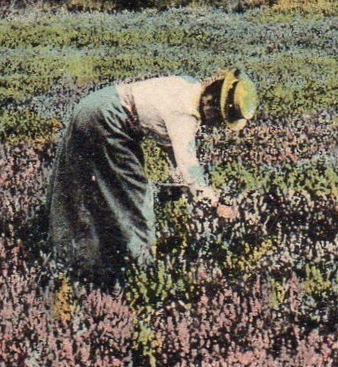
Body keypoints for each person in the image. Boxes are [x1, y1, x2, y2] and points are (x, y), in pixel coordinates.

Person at [46, 69, 257, 284]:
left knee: (82, 185)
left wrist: (188, 188)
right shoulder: (185, 117)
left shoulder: (189, 84)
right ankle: (142, 271)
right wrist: (214, 204)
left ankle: (71, 259)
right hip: (109, 118)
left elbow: (174, 155)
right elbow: (188, 167)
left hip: (93, 105)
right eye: (219, 119)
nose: (215, 125)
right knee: (135, 195)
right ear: (212, 103)